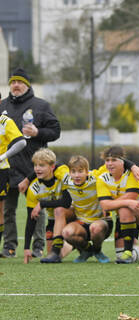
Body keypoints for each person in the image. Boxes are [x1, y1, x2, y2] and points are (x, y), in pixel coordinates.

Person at [0, 68, 61, 258]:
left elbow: (56, 131)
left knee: (37, 208)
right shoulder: (2, 105)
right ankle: (9, 247)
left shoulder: (41, 105)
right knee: (8, 209)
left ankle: (38, 246)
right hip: (7, 168)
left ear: (27, 85)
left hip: (33, 168)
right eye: (12, 82)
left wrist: (38, 133)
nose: (15, 85)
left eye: (19, 82)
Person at [96, 146, 139, 264]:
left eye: (114, 160)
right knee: (119, 255)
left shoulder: (133, 174)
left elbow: (132, 198)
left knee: (125, 208)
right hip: (123, 216)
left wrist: (111, 204)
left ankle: (128, 251)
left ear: (122, 161)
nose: (109, 163)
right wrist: (115, 204)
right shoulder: (102, 176)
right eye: (107, 160)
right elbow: (104, 206)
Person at [24, 148, 70, 264]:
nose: (37, 169)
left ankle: (80, 243)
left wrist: (42, 204)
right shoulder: (33, 189)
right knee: (51, 254)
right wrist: (26, 248)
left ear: (52, 167)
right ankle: (82, 248)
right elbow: (31, 219)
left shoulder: (61, 174)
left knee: (61, 212)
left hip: (74, 214)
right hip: (54, 220)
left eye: (42, 165)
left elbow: (66, 202)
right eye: (35, 165)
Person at [0, 91, 27, 246]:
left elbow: (21, 142)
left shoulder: (5, 122)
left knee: (1, 210)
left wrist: (3, 156)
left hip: (1, 171)